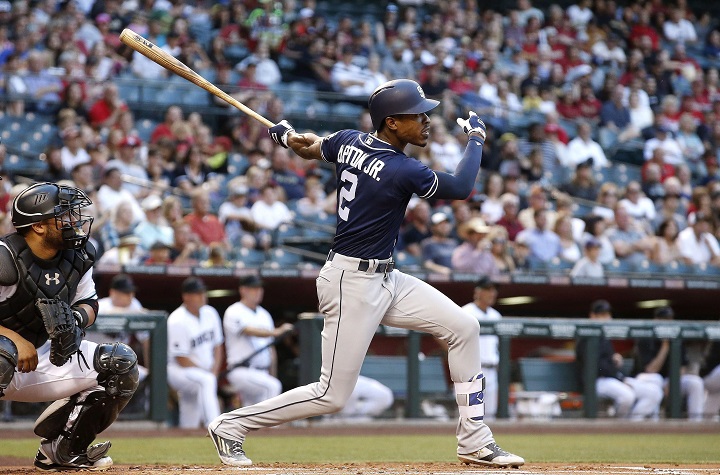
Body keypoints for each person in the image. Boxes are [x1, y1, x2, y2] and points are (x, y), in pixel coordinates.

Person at [208, 79, 524, 468]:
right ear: (391, 123)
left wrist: (287, 136)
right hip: (351, 281)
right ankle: (231, 425)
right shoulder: (401, 168)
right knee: (332, 395)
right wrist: (476, 138)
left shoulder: (347, 140)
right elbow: (460, 186)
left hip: (386, 277)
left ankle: (474, 441)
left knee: (464, 327)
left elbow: (310, 147)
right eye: (417, 115)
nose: (426, 121)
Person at [0, 182, 139, 470]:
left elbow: (89, 303)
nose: (74, 221)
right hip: (6, 356)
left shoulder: (79, 255)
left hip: (44, 357)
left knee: (119, 363)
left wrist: (74, 321)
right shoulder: (5, 257)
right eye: (63, 215)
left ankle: (61, 450)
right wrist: (15, 338)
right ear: (38, 226)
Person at [575, 300, 663, 420]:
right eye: (601, 315)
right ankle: (618, 426)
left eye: (607, 315)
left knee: (654, 393)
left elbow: (606, 362)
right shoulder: (586, 338)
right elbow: (598, 367)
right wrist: (619, 376)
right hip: (597, 382)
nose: (606, 318)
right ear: (592, 316)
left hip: (613, 379)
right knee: (627, 396)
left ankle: (633, 424)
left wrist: (615, 359)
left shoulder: (605, 336)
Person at [223, 275, 294, 408]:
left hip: (262, 372)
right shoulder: (233, 311)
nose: (259, 291)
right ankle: (273, 428)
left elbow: (270, 348)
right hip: (241, 370)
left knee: (251, 411)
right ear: (243, 290)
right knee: (272, 387)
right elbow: (249, 331)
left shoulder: (264, 314)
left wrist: (273, 374)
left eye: (260, 288)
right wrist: (277, 331)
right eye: (254, 288)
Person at [167, 277, 224, 429]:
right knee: (205, 381)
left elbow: (218, 346)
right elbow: (181, 359)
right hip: (178, 370)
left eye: (202, 292)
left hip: (203, 370)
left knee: (190, 408)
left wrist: (214, 370)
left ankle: (187, 436)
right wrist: (209, 373)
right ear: (186, 296)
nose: (202, 296)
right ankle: (216, 427)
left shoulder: (210, 313)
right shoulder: (177, 320)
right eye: (197, 293)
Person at [633, 306, 705, 421]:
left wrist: (673, 382)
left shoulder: (676, 337)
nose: (667, 322)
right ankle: (654, 423)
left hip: (669, 380)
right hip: (646, 379)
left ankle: (695, 424)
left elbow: (682, 367)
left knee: (695, 383)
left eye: (669, 319)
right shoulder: (646, 337)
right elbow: (651, 370)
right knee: (655, 379)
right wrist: (665, 346)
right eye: (663, 319)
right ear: (655, 320)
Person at [461, 277, 502, 419]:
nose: (492, 293)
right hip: (473, 369)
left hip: (492, 369)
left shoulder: (496, 315)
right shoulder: (466, 312)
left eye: (494, 290)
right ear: (477, 292)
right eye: (488, 289)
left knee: (490, 416)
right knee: (471, 416)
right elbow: (443, 335)